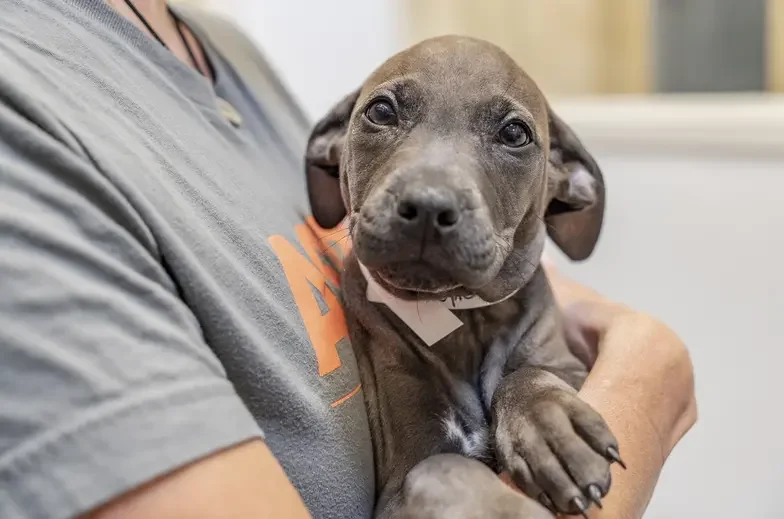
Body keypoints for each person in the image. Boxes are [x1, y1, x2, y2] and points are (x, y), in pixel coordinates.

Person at [0, 1, 696, 518]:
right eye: (386, 115)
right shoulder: (28, 104)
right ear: (331, 153)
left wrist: (535, 378)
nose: (429, 194)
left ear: (568, 185)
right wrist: (645, 388)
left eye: (511, 135)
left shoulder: (234, 59)